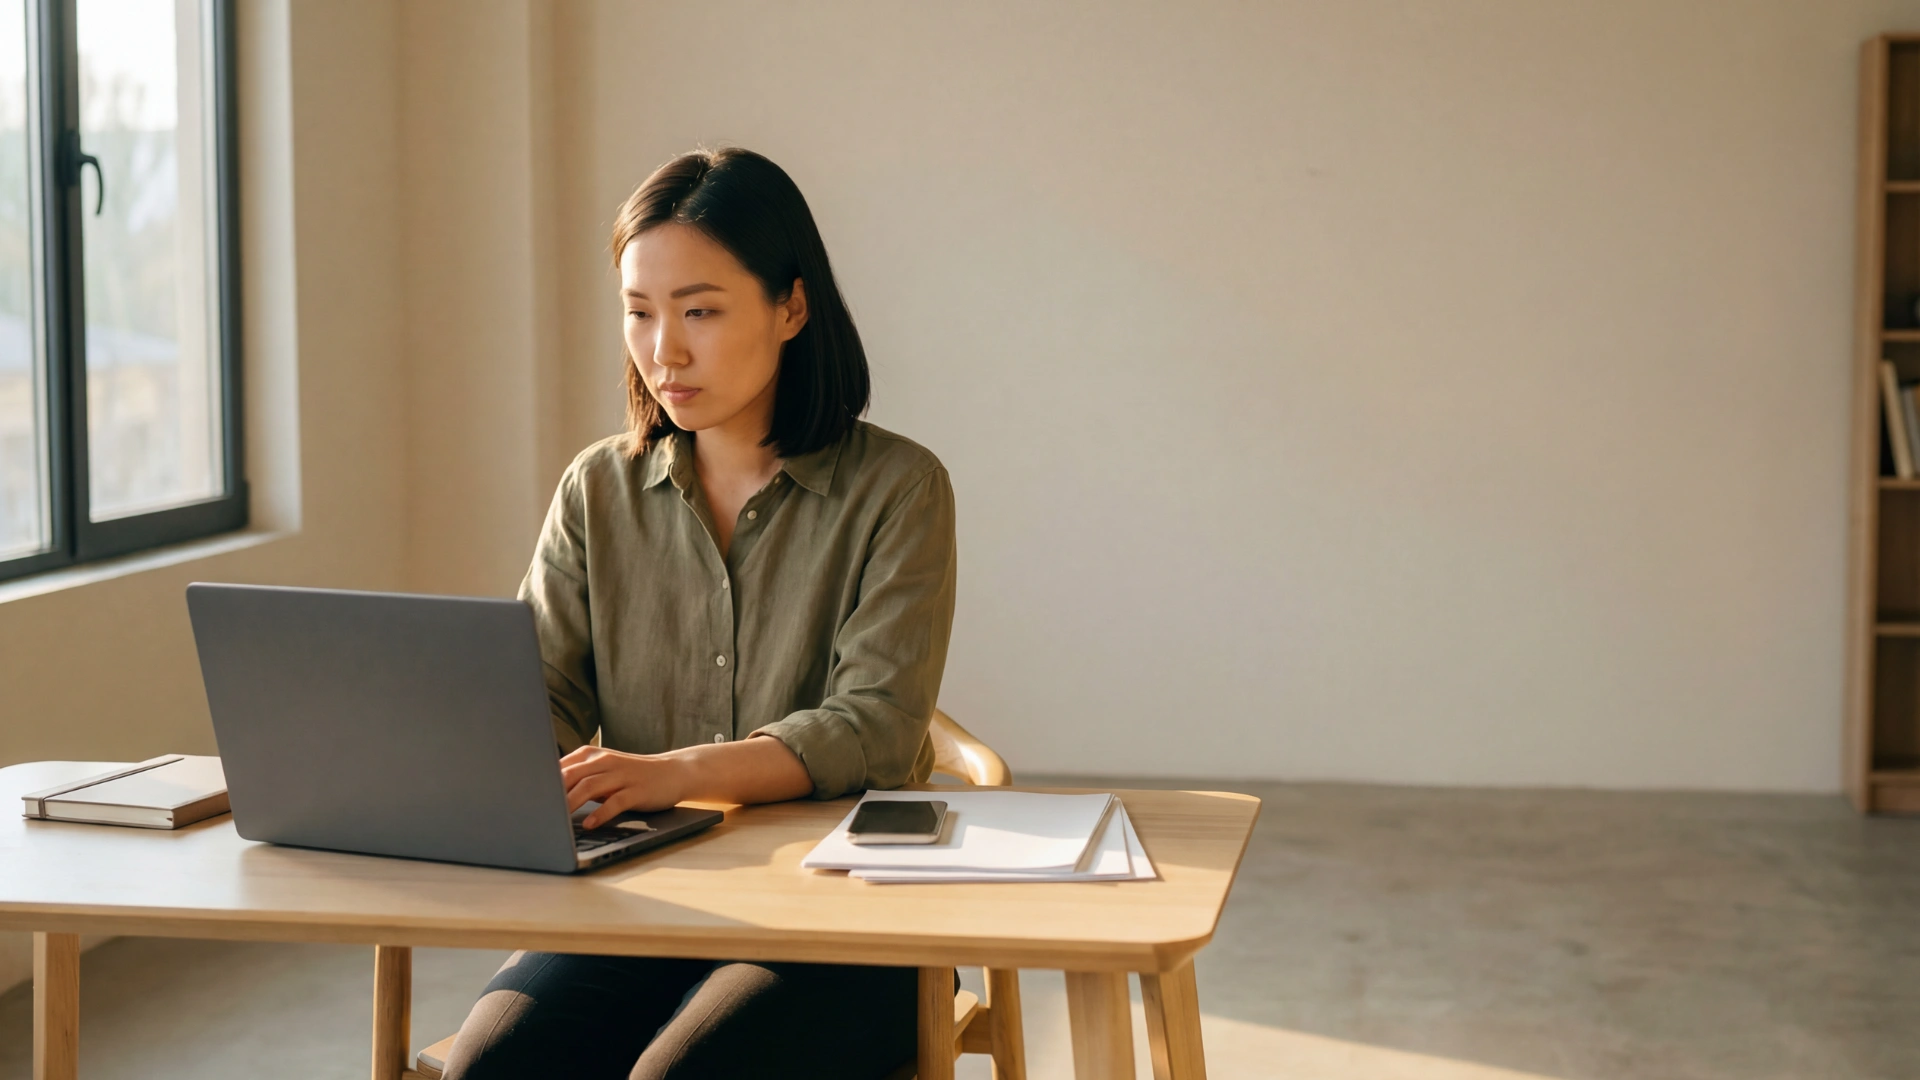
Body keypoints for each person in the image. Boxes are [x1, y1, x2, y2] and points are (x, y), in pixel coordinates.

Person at [440, 147, 958, 1080]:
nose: (663, 350)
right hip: (639, 903)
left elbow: (876, 729)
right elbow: (537, 700)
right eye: (639, 313)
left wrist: (669, 773)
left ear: (792, 307)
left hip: (852, 916)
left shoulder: (900, 488)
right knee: (494, 1070)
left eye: (701, 311)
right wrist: (471, 754)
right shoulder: (598, 488)